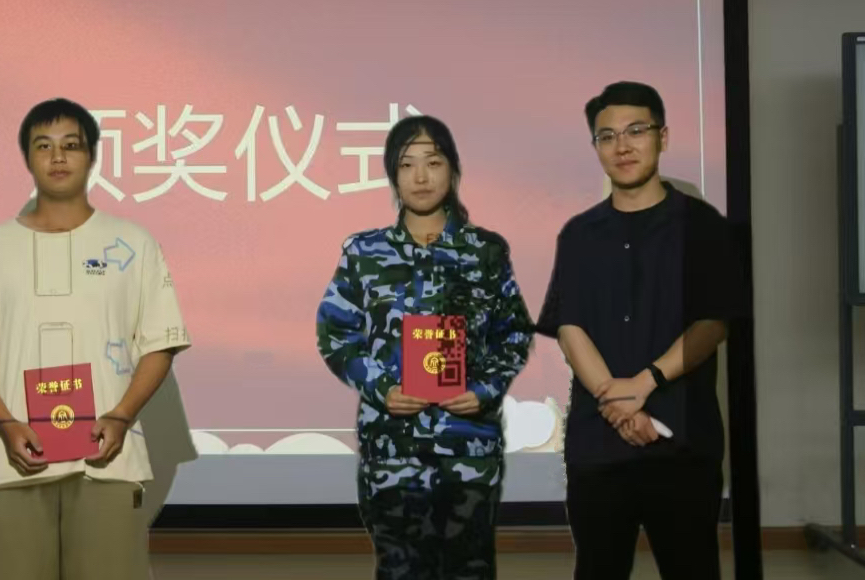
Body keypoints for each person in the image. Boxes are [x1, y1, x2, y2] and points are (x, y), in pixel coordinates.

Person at [0, 98, 190, 580]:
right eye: (43, 146)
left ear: (91, 156)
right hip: (15, 458)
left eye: (71, 145)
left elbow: (160, 343)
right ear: (26, 158)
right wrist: (5, 424)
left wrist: (121, 415)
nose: (57, 157)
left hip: (107, 458)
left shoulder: (134, 243)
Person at [535, 81, 747, 580]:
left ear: (662, 137)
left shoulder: (703, 226)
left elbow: (712, 323)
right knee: (598, 568)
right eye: (607, 136)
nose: (622, 146)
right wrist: (617, 401)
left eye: (636, 131)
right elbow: (569, 328)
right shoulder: (579, 233)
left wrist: (645, 382)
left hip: (682, 442)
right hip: (598, 444)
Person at [316, 114, 534, 580]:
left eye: (433, 162)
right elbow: (335, 333)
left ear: (453, 169)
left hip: (468, 443)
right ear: (392, 175)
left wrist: (485, 389)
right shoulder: (364, 251)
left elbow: (514, 333)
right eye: (407, 164)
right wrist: (381, 388)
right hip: (392, 446)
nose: (420, 176)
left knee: (471, 569)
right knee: (399, 571)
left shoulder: (485, 250)